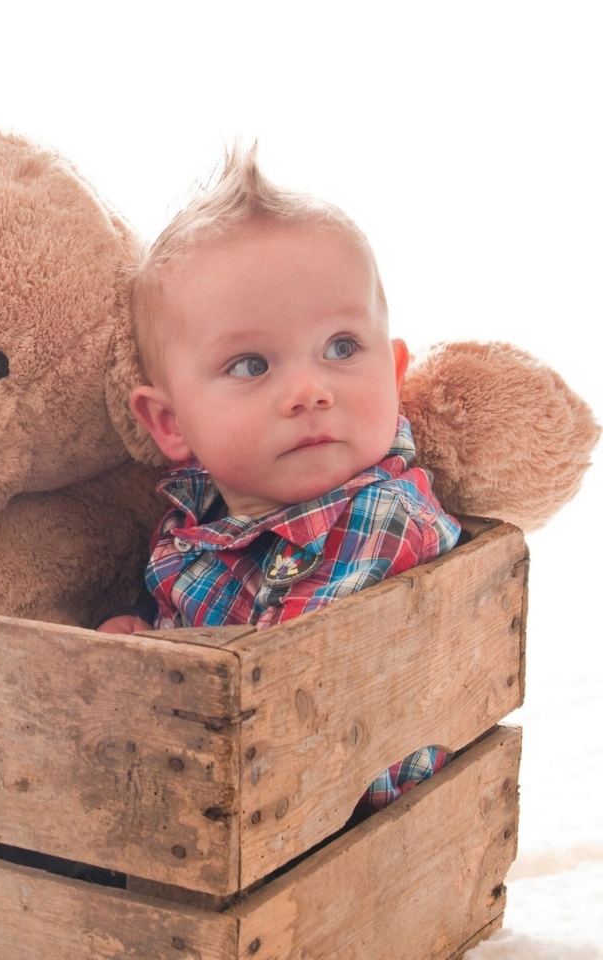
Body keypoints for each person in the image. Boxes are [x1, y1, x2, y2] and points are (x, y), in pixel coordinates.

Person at [99, 147, 461, 810]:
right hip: (217, 800)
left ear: (395, 367)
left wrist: (166, 670)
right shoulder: (198, 513)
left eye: (342, 348)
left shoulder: (377, 518)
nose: (308, 390)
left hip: (324, 814)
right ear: (170, 422)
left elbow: (277, 687)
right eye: (251, 365)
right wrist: (146, 644)